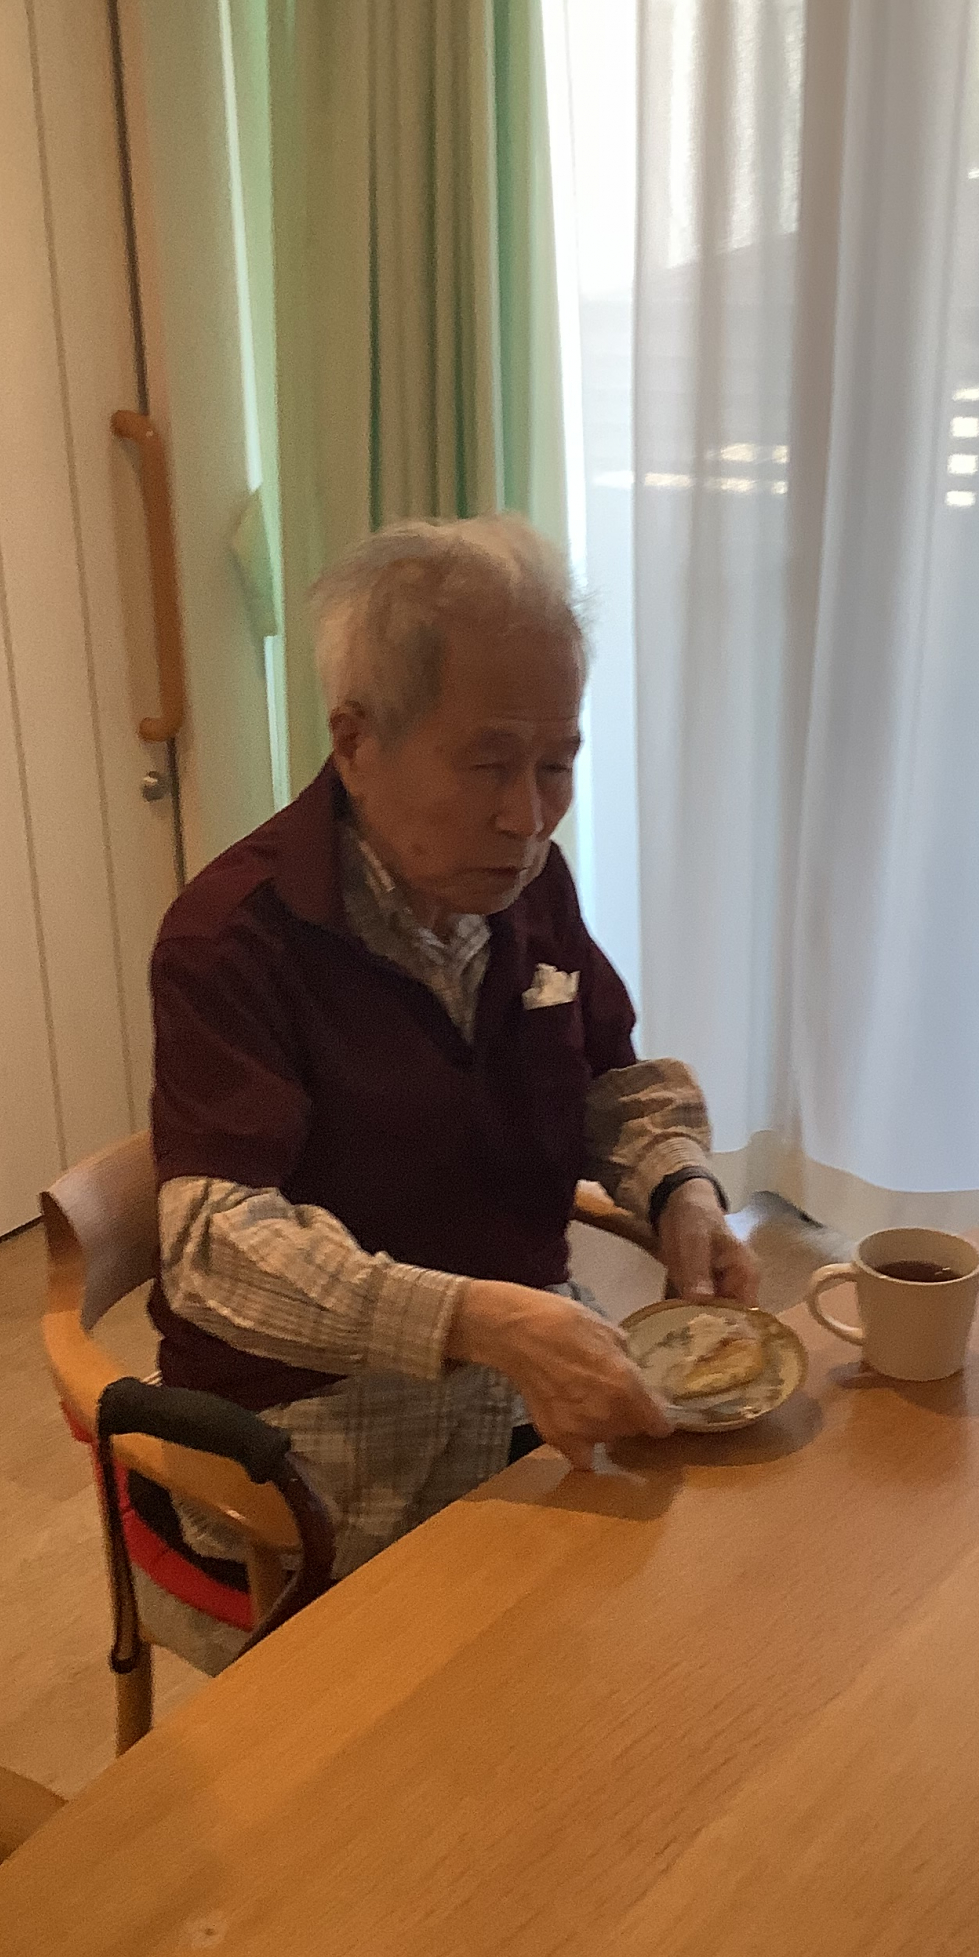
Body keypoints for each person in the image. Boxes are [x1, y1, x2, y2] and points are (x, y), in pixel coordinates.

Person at [149, 514, 757, 1615]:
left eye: (557, 765)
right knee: (506, 1658)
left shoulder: (527, 883)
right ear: (355, 741)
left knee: (699, 1591)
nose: (527, 817)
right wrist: (478, 1320)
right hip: (313, 1428)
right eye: (487, 763)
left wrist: (680, 1187)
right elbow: (214, 1247)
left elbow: (613, 1082)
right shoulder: (234, 937)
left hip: (513, 1376)